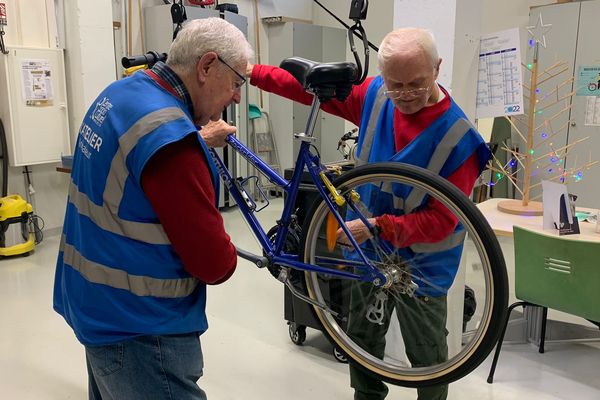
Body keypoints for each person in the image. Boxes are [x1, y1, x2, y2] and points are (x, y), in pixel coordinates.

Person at [247, 27, 491, 400]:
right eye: (396, 84)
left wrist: (378, 226)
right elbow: (306, 90)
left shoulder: (459, 139)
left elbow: (443, 221)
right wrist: (248, 72)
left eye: (416, 83)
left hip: (422, 269)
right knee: (361, 342)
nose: (405, 95)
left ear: (438, 69)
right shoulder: (378, 95)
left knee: (427, 355)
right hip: (368, 254)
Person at [53, 18, 253, 400]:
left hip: (95, 306)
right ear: (207, 66)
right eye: (237, 82)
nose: (237, 97)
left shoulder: (120, 94)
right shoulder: (175, 148)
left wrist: (195, 136)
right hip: (144, 332)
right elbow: (215, 264)